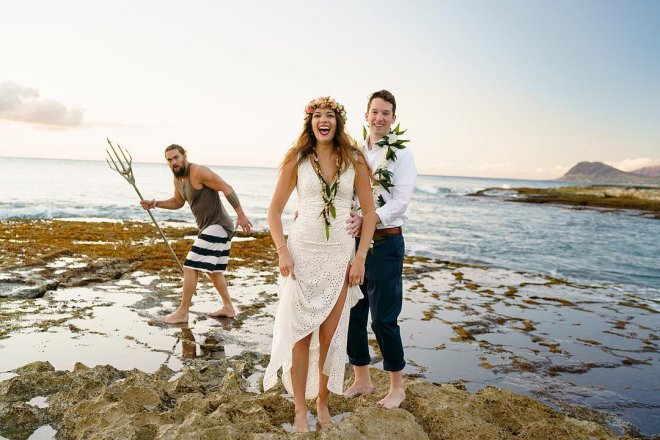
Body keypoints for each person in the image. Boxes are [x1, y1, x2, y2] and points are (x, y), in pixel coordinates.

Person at [263, 96, 377, 433]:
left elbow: (369, 213)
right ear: (310, 122)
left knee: (331, 336)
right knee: (300, 335)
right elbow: (274, 212)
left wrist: (360, 257)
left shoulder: (354, 160)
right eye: (318, 116)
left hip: (340, 256)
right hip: (301, 255)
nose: (323, 121)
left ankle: (322, 403)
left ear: (338, 122)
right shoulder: (296, 160)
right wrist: (282, 251)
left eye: (330, 115)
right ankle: (300, 409)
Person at [344, 90, 417, 409]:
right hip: (354, 243)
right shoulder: (355, 153)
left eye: (386, 113)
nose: (379, 118)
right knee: (353, 312)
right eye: (375, 112)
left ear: (393, 118)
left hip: (387, 242)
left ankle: (397, 387)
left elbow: (401, 201)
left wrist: (369, 219)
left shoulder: (402, 154)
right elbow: (344, 193)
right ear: (366, 116)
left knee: (384, 319)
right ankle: (362, 380)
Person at [140, 144, 252, 324]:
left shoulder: (198, 172)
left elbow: (226, 187)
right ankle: (228, 307)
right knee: (214, 271)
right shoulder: (178, 179)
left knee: (190, 266)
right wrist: (155, 204)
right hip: (210, 227)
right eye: (169, 160)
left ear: (184, 156)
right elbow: (178, 202)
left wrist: (241, 215)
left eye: (176, 157)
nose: (173, 162)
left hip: (218, 225)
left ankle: (182, 313)